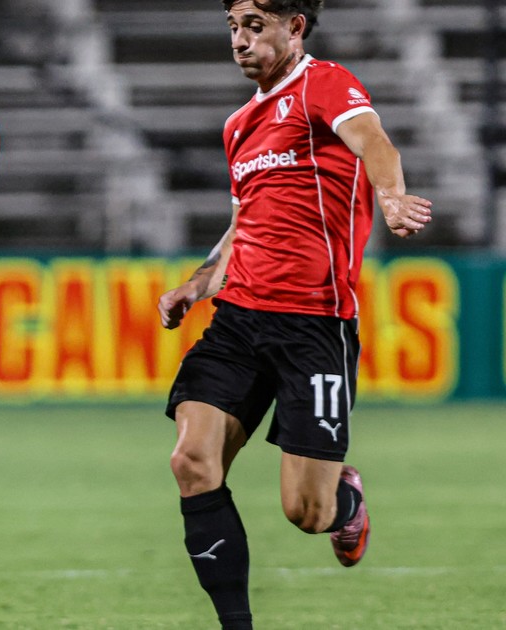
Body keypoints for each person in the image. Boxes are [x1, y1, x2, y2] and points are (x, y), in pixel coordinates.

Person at [157, 1, 433, 628]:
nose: (240, 39)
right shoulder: (238, 125)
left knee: (307, 512)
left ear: (296, 26)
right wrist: (197, 285)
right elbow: (243, 224)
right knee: (191, 461)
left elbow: (375, 143)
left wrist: (391, 198)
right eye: (233, 27)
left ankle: (346, 502)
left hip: (314, 325)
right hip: (238, 319)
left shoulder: (323, 83)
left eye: (255, 26)